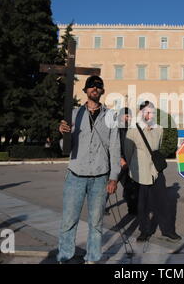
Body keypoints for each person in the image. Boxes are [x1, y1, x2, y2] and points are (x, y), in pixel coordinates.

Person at [57, 75, 120, 264]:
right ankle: (65, 257)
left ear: (102, 91)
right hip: (75, 174)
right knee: (69, 221)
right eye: (91, 86)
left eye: (99, 86)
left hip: (100, 177)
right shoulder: (74, 114)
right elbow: (64, 148)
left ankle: (92, 258)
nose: (95, 88)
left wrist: (114, 176)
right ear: (85, 90)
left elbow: (115, 147)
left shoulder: (110, 116)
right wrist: (63, 135)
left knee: (96, 223)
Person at [124, 101, 181, 242]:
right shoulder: (132, 131)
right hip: (139, 172)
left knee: (163, 203)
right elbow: (128, 153)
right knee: (142, 204)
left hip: (156, 171)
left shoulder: (159, 129)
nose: (150, 115)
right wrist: (132, 170)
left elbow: (160, 148)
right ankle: (144, 231)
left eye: (152, 112)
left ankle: (168, 231)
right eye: (147, 112)